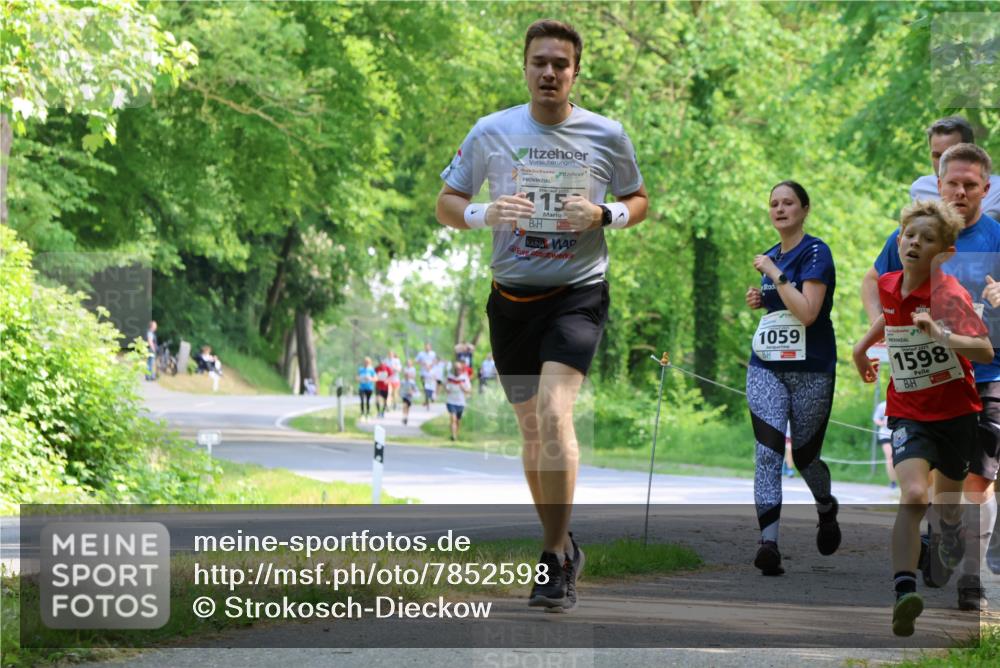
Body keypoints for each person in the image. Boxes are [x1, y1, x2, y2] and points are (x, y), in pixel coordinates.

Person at [436, 18, 648, 612]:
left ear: (576, 71)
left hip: (577, 292)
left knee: (556, 414)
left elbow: (640, 199)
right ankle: (563, 546)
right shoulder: (491, 132)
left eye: (561, 63)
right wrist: (486, 213)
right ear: (524, 68)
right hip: (512, 298)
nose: (549, 72)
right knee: (533, 433)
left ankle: (554, 557)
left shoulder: (607, 134)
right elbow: (447, 204)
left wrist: (606, 216)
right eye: (539, 62)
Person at [865, 143, 1000, 610]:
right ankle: (910, 583)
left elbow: (982, 344)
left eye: (970, 184)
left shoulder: (972, 268)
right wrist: (869, 346)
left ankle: (961, 562)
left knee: (962, 496)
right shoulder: (900, 259)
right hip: (913, 401)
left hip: (971, 394)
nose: (960, 191)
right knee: (921, 493)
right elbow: (881, 298)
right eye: (952, 183)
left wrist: (946, 333)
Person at [744, 181, 840, 576]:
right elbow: (780, 310)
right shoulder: (770, 255)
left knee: (804, 458)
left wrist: (775, 275)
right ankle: (769, 543)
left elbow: (807, 314)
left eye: (788, 203)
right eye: (774, 204)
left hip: (812, 369)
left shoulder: (816, 252)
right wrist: (760, 299)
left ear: (804, 209)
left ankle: (826, 506)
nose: (780, 209)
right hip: (767, 365)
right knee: (767, 453)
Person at [445, 358, 473, 441]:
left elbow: (469, 391)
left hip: (461, 402)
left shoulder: (465, 378)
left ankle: (456, 434)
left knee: (458, 421)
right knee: (453, 418)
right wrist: (447, 388)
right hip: (451, 401)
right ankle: (453, 436)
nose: (458, 370)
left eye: (459, 369)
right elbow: (446, 388)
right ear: (454, 369)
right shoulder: (449, 377)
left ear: (461, 369)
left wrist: (462, 387)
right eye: (456, 369)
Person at [873, 400, 898, 489]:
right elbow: (876, 419)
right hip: (885, 434)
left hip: (899, 434)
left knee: (900, 457)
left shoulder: (901, 404)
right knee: (890, 457)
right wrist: (883, 423)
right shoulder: (882, 405)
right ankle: (893, 481)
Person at [416, 343, 437, 409]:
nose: (427, 348)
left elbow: (435, 361)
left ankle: (430, 397)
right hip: (423, 373)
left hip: (431, 373)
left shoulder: (433, 353)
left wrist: (430, 366)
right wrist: (424, 364)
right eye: (426, 347)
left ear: (430, 347)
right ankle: (427, 401)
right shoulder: (421, 354)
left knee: (431, 386)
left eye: (428, 347)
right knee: (425, 387)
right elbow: (417, 361)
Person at [400, 358, 418, 426]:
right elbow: (400, 388)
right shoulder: (403, 381)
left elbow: (415, 389)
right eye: (406, 375)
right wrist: (400, 393)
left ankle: (406, 417)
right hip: (404, 395)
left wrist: (412, 391)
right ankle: (404, 417)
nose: (407, 376)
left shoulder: (412, 382)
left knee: (408, 407)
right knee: (404, 405)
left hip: (410, 396)